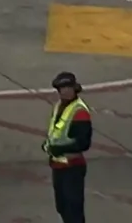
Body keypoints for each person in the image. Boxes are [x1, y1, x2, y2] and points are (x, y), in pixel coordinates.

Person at [46, 71, 92, 223]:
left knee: (73, 210)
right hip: (58, 166)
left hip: (72, 167)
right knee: (63, 207)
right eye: (61, 88)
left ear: (74, 88)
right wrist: (48, 145)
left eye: (68, 87)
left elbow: (83, 143)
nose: (65, 91)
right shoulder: (59, 106)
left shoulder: (79, 111)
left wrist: (59, 149)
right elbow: (56, 131)